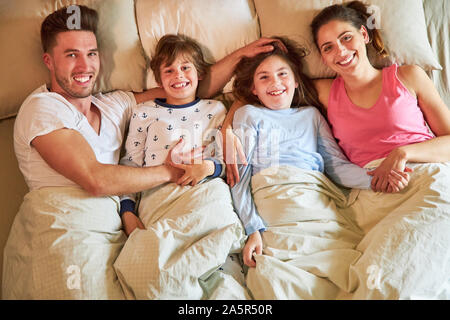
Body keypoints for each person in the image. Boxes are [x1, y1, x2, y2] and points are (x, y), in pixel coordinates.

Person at [2, 5, 275, 299]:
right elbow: (95, 179)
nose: (84, 66)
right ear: (48, 61)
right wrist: (172, 171)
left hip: (114, 237)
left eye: (91, 53)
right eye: (71, 55)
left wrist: (238, 67)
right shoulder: (44, 107)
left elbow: (184, 94)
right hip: (66, 228)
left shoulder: (113, 103)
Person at [229, 37, 409, 269]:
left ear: (295, 81)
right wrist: (252, 228)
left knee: (345, 259)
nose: (275, 82)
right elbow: (238, 177)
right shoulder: (248, 114)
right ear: (254, 88)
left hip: (314, 193)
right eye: (264, 77)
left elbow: (337, 167)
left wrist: (375, 179)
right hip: (275, 194)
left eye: (283, 74)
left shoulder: (311, 115)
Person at [118, 34, 228, 235]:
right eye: (169, 70)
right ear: (159, 80)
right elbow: (130, 164)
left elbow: (230, 161)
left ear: (200, 73)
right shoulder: (144, 112)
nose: (178, 75)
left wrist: (208, 167)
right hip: (160, 195)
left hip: (205, 192)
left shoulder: (216, 109)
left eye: (185, 68)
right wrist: (127, 211)